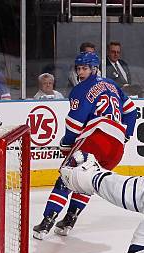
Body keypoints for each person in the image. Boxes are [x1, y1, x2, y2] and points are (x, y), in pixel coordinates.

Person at [32, 51, 137, 240]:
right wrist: (126, 134)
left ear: (94, 68)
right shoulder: (112, 84)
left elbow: (74, 125)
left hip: (96, 141)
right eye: (79, 68)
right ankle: (69, 221)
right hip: (116, 149)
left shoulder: (80, 90)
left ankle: (46, 222)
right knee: (87, 181)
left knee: (66, 178)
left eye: (85, 68)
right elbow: (131, 111)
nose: (81, 72)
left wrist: (66, 145)